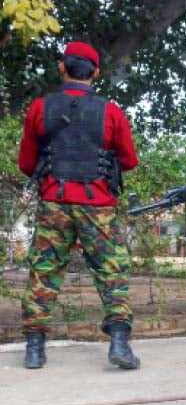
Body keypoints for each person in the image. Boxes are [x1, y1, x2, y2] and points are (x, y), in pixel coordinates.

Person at [18, 42, 140, 370]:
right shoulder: (110, 111)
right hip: (97, 205)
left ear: (63, 67)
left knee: (44, 270)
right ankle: (119, 344)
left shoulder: (39, 109)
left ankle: (34, 348)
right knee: (111, 271)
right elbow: (129, 160)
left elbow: (26, 162)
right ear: (96, 72)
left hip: (54, 203)